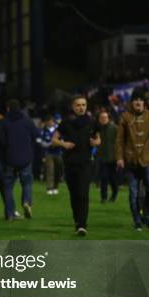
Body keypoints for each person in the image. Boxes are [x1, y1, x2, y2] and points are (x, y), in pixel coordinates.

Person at [115, 87, 149, 231]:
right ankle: (137, 220)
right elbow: (119, 140)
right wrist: (119, 158)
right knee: (133, 194)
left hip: (147, 159)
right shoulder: (124, 117)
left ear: (144, 102)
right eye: (135, 99)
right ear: (131, 102)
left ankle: (146, 216)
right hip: (130, 161)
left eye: (141, 100)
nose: (138, 102)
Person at [52, 95, 100, 236]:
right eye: (78, 105)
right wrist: (63, 144)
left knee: (83, 193)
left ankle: (82, 225)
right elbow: (54, 139)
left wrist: (96, 143)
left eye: (84, 105)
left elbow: (98, 139)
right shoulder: (66, 123)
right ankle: (77, 221)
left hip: (85, 162)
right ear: (73, 107)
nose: (81, 107)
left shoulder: (92, 122)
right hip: (70, 163)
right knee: (74, 194)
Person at [1, 99, 39, 220]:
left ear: (8, 108)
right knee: (26, 183)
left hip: (9, 158)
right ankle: (26, 202)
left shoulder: (4, 122)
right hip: (26, 157)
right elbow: (36, 136)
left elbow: (1, 141)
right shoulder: (27, 121)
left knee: (8, 187)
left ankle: (10, 213)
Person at [95, 111, 119, 203]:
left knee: (113, 178)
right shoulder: (98, 129)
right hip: (102, 158)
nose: (103, 119)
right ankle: (104, 197)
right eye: (101, 118)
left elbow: (119, 142)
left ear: (108, 118)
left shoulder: (114, 128)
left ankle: (114, 193)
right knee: (103, 178)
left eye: (105, 117)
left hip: (113, 158)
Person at [36, 114, 63, 195]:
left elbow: (62, 140)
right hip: (49, 153)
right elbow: (40, 142)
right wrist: (49, 144)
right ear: (46, 122)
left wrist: (57, 143)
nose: (51, 123)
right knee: (50, 170)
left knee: (58, 169)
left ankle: (55, 186)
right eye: (49, 121)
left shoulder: (58, 130)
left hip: (58, 152)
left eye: (52, 121)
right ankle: (49, 187)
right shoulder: (43, 131)